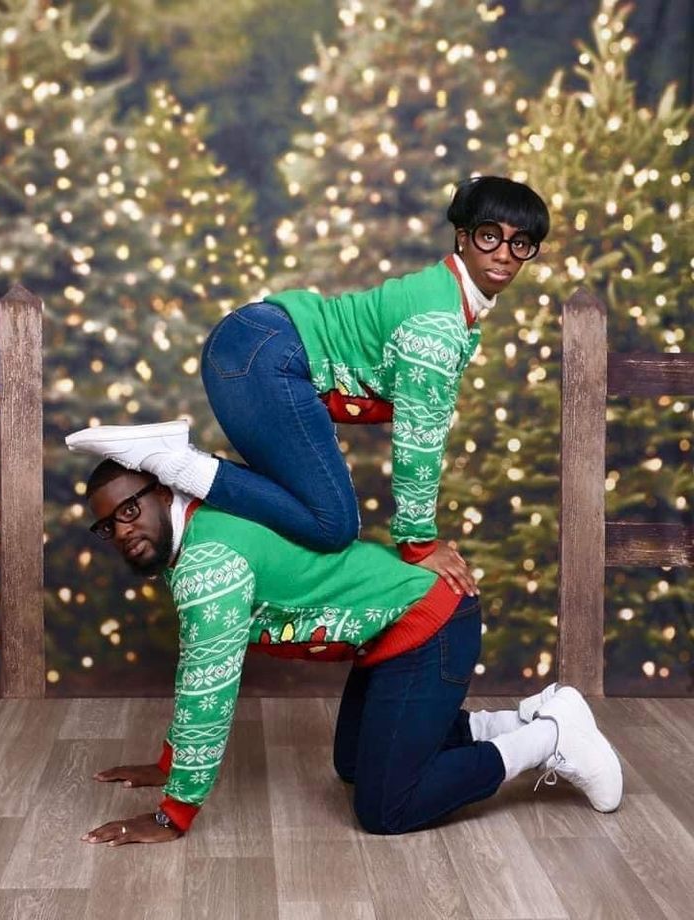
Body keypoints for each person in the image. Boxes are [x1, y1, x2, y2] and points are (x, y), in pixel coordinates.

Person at [78, 460, 622, 847]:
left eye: (129, 509)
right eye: (108, 526)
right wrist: (167, 764)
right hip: (390, 630)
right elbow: (198, 669)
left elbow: (207, 690)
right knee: (355, 764)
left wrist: (173, 814)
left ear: (161, 490)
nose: (122, 532)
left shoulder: (207, 564)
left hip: (430, 621)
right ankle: (519, 718)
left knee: (387, 809)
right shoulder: (202, 524)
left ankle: (550, 738)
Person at [66, 175, 551, 592]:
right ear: (463, 238)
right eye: (490, 236)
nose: (505, 254)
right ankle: (172, 460)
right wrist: (419, 543)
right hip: (268, 358)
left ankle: (179, 464)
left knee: (306, 505)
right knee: (332, 524)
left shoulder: (447, 299)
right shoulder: (438, 322)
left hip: (252, 345)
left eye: (520, 243)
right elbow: (418, 439)